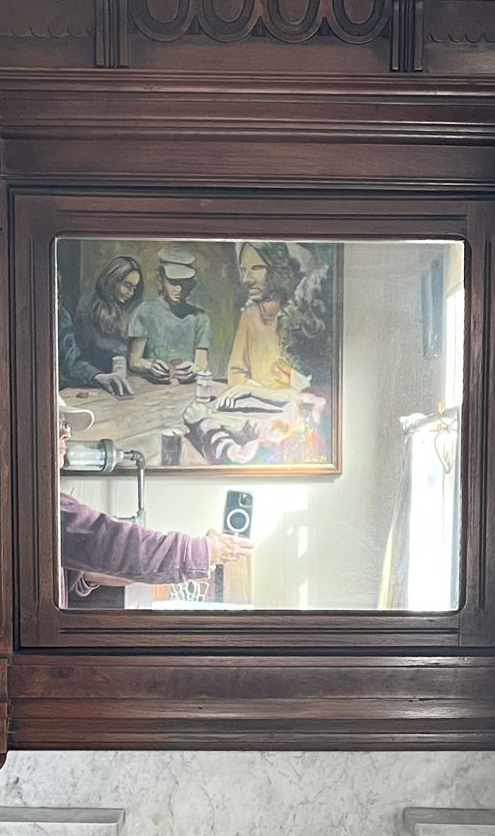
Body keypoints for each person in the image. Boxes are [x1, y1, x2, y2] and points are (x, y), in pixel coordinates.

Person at [57, 419, 252, 603]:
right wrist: (201, 551)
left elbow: (55, 567)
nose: (66, 432)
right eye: (54, 423)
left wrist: (86, 575)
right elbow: (104, 538)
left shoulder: (41, 498)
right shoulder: (45, 504)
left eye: (65, 424)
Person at [223, 241, 312, 401]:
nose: (246, 279)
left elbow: (307, 388)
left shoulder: (302, 316)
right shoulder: (250, 315)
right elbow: (236, 372)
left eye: (256, 268)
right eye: (243, 270)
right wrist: (249, 389)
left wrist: (260, 393)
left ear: (278, 270)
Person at [58, 254, 143, 394]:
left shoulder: (134, 310)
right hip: (92, 385)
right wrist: (98, 376)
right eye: (127, 286)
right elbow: (74, 360)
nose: (131, 293)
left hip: (122, 382)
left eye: (134, 288)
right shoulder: (88, 308)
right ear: (112, 281)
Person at [126, 247, 211, 384]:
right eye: (174, 283)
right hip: (150, 388)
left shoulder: (200, 317)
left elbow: (202, 364)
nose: (179, 289)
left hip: (187, 389)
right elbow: (134, 361)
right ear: (160, 278)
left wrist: (194, 369)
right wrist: (150, 366)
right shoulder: (144, 312)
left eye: (184, 283)